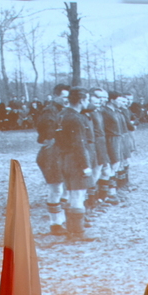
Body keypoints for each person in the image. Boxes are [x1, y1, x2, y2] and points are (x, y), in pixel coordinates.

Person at [56, 86, 95, 241]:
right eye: (86, 100)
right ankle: (78, 233)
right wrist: (85, 165)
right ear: (81, 100)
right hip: (75, 160)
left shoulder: (62, 115)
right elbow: (79, 144)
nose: (87, 103)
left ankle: (71, 231)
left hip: (64, 158)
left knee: (71, 194)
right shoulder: (76, 119)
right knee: (78, 195)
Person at [36, 83, 70, 234]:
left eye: (68, 97)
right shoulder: (49, 112)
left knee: (63, 187)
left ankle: (61, 220)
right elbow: (47, 133)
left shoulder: (62, 110)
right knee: (55, 188)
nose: (66, 100)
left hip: (60, 152)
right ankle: (55, 224)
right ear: (56, 96)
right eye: (64, 97)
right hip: (51, 153)